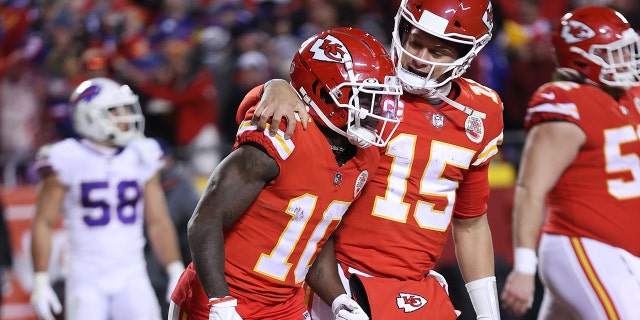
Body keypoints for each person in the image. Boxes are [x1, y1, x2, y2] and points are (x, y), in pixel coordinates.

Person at [238, 0, 504, 319]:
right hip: (341, 276)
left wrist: (489, 314)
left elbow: (472, 223)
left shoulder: (484, 111)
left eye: (437, 52)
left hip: (418, 285)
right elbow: (291, 101)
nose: (420, 59)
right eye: (415, 42)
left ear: (466, 54)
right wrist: (274, 86)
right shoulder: (366, 85)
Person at [168, 27, 402, 320]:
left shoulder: (365, 157)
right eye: (365, 97)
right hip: (223, 295)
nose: (376, 109)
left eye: (378, 98)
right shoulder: (285, 134)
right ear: (323, 92)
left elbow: (314, 232)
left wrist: (339, 298)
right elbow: (204, 222)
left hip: (284, 304)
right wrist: (220, 301)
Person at [500, 6, 640, 319]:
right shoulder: (566, 102)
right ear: (581, 58)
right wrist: (524, 267)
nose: (626, 60)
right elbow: (530, 188)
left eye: (627, 50)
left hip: (621, 251)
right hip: (584, 242)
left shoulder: (631, 96)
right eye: (614, 53)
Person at [29, 77, 185, 320]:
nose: (125, 117)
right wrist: (40, 279)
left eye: (126, 109)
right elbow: (43, 222)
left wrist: (174, 267)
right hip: (84, 275)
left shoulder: (142, 152)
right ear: (88, 116)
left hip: (132, 272)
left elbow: (157, 220)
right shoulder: (65, 156)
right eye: (115, 111)